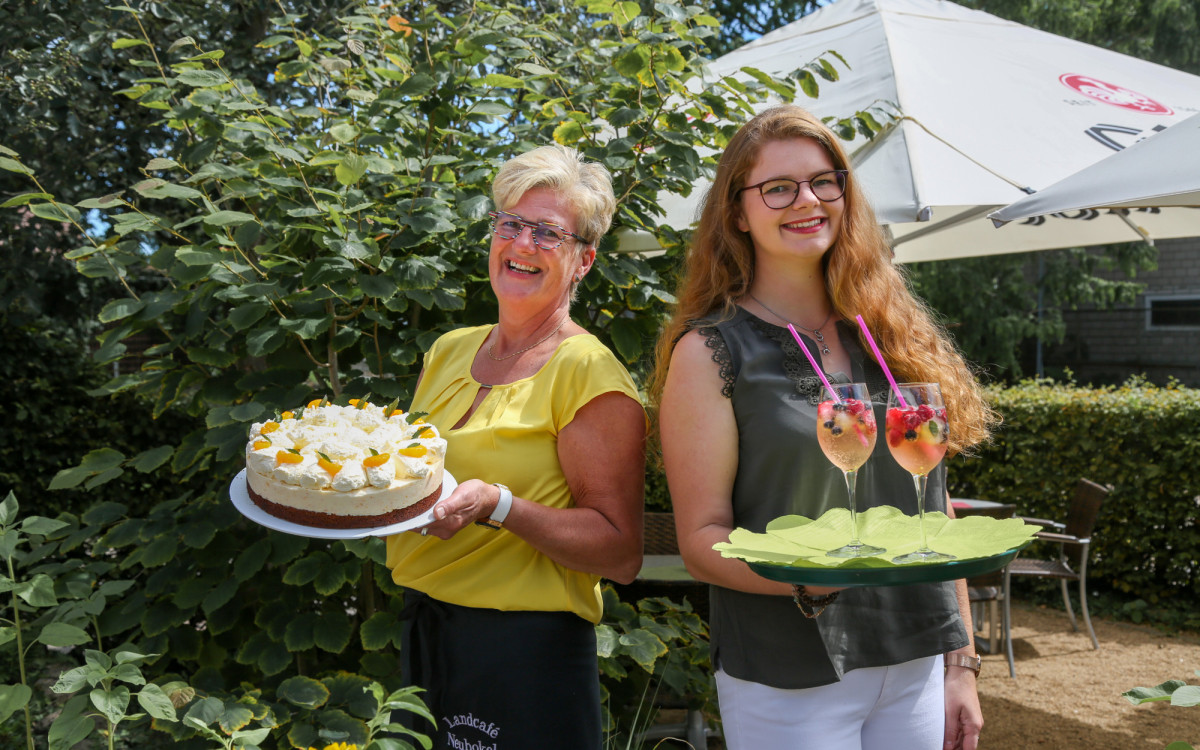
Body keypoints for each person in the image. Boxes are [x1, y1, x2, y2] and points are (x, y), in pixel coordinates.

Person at [650, 104, 997, 750]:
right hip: (788, 674)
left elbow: (934, 509)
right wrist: (805, 580)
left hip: (917, 657)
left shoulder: (889, 335)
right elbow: (702, 539)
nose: (806, 199)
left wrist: (962, 662)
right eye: (778, 187)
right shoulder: (710, 354)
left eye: (823, 180)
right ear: (736, 214)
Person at [385, 144, 646, 749]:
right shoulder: (450, 350)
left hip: (524, 652)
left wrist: (501, 506)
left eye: (549, 233)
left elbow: (620, 554)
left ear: (583, 260)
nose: (524, 244)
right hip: (427, 631)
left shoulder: (588, 371)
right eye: (512, 224)